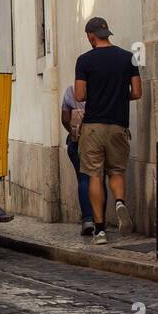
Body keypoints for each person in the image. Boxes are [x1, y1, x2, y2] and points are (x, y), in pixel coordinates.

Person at [74, 17, 141, 245]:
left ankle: (100, 230)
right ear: (107, 33)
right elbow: (137, 92)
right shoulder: (127, 57)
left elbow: (80, 95)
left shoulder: (84, 60)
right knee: (116, 171)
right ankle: (120, 202)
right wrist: (120, 95)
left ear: (91, 36)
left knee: (94, 174)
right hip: (118, 125)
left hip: (93, 126)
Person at [60, 83, 96, 236]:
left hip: (77, 142)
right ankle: (101, 221)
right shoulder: (100, 87)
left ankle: (88, 219)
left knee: (83, 180)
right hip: (97, 140)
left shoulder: (71, 90)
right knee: (98, 179)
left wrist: (75, 133)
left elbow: (64, 118)